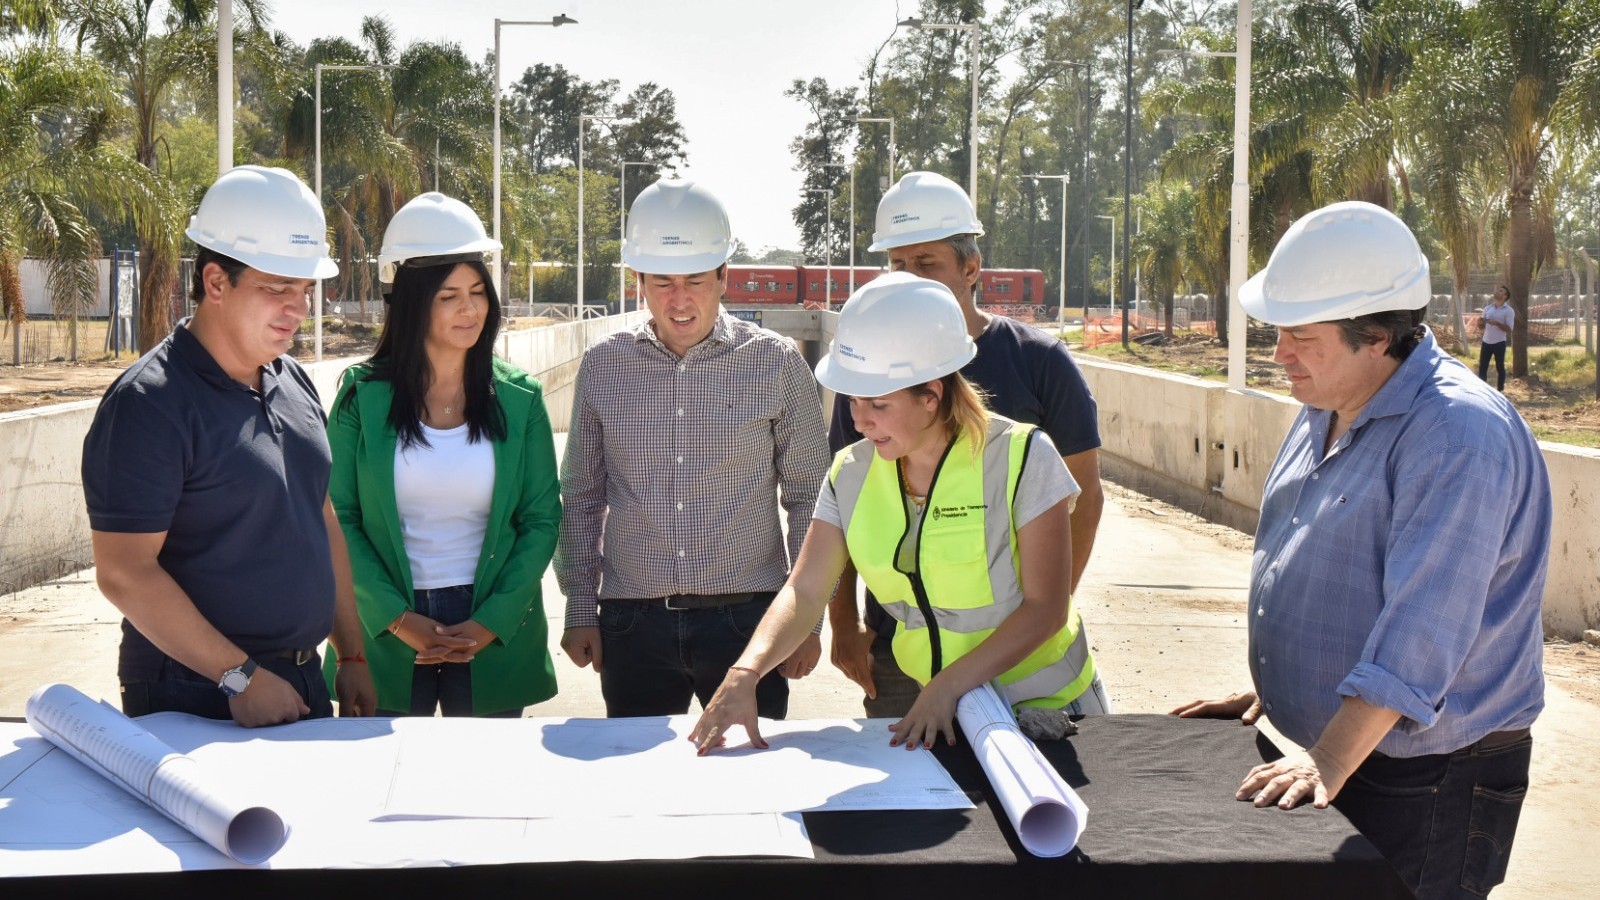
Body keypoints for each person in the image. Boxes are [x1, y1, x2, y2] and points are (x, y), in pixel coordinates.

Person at [1173, 201, 1548, 900]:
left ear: (1377, 337)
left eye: (1300, 335)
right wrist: (1287, 681)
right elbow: (1338, 566)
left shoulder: (1456, 435)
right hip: (1348, 750)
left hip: (1425, 777)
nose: (1279, 352)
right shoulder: (1327, 402)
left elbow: (1426, 627)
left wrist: (1329, 754)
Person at [691, 272, 1108, 755]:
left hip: (1048, 713)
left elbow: (1046, 609)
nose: (858, 419)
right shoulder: (851, 472)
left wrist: (948, 687)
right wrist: (747, 670)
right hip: (948, 712)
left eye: (878, 404)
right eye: (851, 399)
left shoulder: (1022, 457)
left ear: (930, 395)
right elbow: (805, 589)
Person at [81, 165, 376, 726]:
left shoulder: (290, 378)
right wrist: (237, 675)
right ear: (216, 282)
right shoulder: (151, 403)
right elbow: (123, 571)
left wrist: (352, 650)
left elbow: (320, 514)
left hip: (298, 677)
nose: (298, 309)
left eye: (304, 289)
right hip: (193, 690)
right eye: (277, 288)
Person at [826, 170, 1106, 718]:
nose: (909, 279)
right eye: (898, 265)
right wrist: (843, 621)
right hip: (905, 653)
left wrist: (1044, 612)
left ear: (971, 268)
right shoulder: (868, 377)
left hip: (1024, 662)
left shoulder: (1039, 361)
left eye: (926, 264)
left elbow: (1084, 497)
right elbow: (846, 503)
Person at [556, 178, 830, 719]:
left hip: (750, 624)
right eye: (662, 282)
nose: (679, 299)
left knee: (750, 785)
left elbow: (813, 502)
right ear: (639, 281)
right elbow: (583, 495)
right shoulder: (604, 367)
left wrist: (808, 621)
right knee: (639, 793)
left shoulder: (777, 365)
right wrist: (579, 607)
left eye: (696, 281)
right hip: (631, 625)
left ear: (724, 277)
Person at [322, 192, 562, 717]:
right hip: (384, 628)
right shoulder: (360, 398)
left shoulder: (520, 399)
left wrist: (490, 621)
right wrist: (397, 618)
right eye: (449, 295)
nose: (470, 308)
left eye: (477, 291)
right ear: (411, 300)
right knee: (381, 791)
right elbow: (339, 520)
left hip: (491, 625)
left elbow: (542, 519)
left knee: (481, 794)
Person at [1478, 284, 1514, 391]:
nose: (1497, 292)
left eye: (1500, 291)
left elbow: (1509, 329)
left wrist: (1497, 323)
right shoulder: (1487, 308)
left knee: (1500, 368)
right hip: (1486, 342)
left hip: (1499, 343)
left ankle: (1500, 390)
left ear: (1505, 296)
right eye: (1497, 290)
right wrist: (1479, 323)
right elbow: (1481, 327)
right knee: (1482, 368)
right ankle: (1482, 390)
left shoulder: (1508, 311)